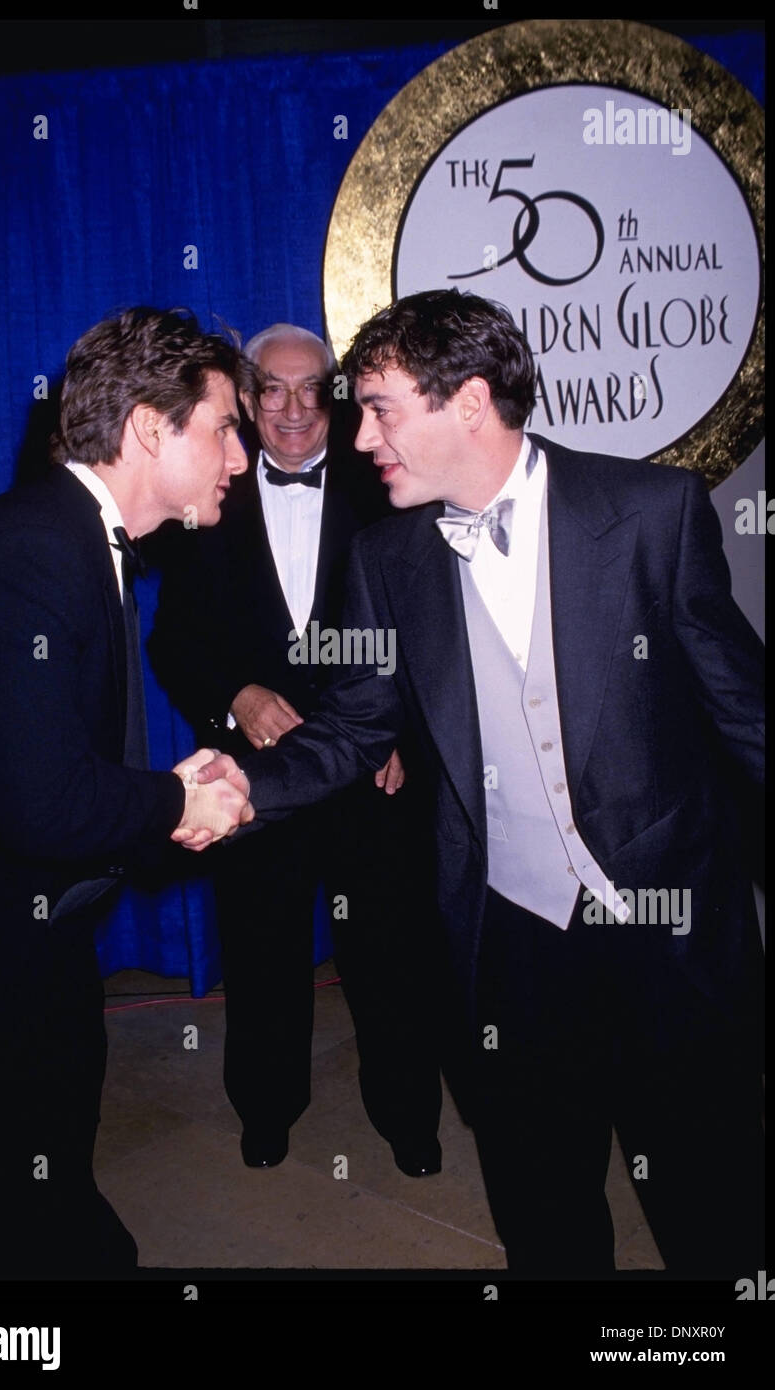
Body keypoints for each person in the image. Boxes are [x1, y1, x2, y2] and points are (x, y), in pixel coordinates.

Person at [194, 289, 765, 1278]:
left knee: (708, 1197)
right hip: (505, 939)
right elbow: (351, 728)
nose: (356, 432)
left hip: (665, 926)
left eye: (376, 406)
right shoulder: (385, 557)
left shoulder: (648, 512)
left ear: (465, 401)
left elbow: (745, 719)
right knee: (540, 1202)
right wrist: (239, 791)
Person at [0, 306, 252, 1278]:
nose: (237, 457)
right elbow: (40, 803)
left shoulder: (78, 536)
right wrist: (173, 806)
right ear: (152, 426)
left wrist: (163, 793)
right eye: (223, 426)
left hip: (41, 943)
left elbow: (61, 765)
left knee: (54, 1176)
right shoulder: (29, 549)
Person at [149, 324, 442, 1174]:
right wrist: (236, 696)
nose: (290, 409)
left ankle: (409, 1120)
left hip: (373, 777)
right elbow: (173, 644)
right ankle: (267, 1113)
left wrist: (399, 731)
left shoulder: (385, 484)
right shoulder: (211, 494)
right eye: (270, 390)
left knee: (391, 958)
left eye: (311, 388)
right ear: (246, 397)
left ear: (336, 396)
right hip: (257, 780)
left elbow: (432, 629)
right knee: (263, 953)